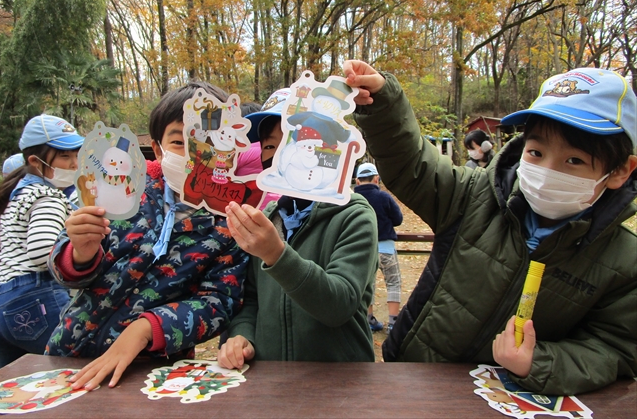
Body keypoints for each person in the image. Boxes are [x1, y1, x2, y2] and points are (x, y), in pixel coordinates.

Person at [343, 60, 637, 396]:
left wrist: (540, 363)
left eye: (574, 161)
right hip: (417, 381)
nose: (546, 171)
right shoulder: (472, 196)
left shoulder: (624, 261)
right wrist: (384, 103)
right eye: (536, 152)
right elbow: (412, 165)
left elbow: (616, 349)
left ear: (620, 171)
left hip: (513, 399)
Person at [45, 82, 249, 391]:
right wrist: (80, 252)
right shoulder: (119, 191)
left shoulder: (229, 223)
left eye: (206, 141)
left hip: (153, 374)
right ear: (157, 148)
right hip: (68, 357)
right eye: (179, 142)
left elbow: (219, 301)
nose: (194, 154)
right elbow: (64, 271)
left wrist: (144, 329)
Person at [217, 90, 378, 369]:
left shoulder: (354, 215)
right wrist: (242, 335)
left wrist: (276, 254)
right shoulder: (267, 219)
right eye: (269, 147)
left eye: (292, 141)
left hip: (340, 380)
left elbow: (340, 304)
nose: (279, 156)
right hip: (273, 381)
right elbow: (251, 300)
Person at [0, 115, 84, 367]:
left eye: (76, 154)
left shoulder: (17, 193)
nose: (74, 163)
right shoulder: (48, 197)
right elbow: (40, 252)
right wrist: (79, 254)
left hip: (3, 299)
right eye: (65, 156)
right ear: (35, 161)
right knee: (77, 367)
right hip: (36, 297)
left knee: (13, 385)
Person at [354, 162, 403, 332]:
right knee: (393, 282)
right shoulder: (384, 197)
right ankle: (393, 321)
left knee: (368, 284)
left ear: (357, 181)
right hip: (386, 249)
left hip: (364, 249)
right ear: (377, 179)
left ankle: (369, 319)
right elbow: (397, 219)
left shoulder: (353, 200)